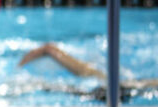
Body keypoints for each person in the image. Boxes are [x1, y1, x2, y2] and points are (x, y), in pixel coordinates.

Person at [18, 42, 158, 103]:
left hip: (109, 90)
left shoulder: (92, 73)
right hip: (109, 89)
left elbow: (49, 49)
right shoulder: (92, 74)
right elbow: (49, 49)